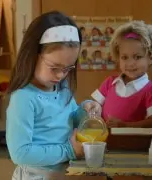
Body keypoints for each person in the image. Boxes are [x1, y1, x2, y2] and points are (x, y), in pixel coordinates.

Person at [6, 11, 101, 180]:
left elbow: (72, 118)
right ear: (33, 56)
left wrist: (85, 109)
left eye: (68, 68)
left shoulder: (62, 88)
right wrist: (68, 150)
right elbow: (20, 153)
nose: (60, 75)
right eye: (54, 67)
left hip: (63, 172)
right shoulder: (24, 98)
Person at [90, 20, 152, 128]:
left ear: (151, 58)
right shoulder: (109, 83)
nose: (130, 63)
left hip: (134, 143)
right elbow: (96, 103)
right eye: (124, 57)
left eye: (137, 57)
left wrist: (125, 125)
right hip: (105, 140)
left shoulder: (150, 90)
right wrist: (95, 107)